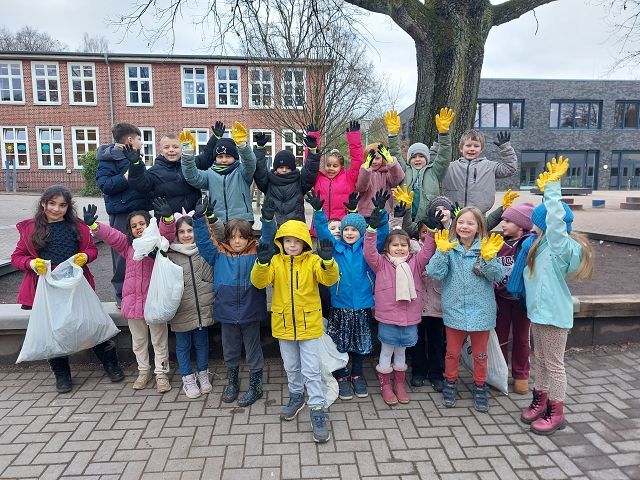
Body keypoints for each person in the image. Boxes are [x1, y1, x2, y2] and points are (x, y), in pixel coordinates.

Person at [11, 185, 125, 393]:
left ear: (68, 207)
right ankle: (62, 374)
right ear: (43, 203)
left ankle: (110, 363)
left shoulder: (77, 227)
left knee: (88, 324)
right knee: (54, 331)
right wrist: (31, 263)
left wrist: (85, 256)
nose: (56, 209)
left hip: (75, 285)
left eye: (62, 205)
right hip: (48, 288)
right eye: (52, 203)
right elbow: (17, 257)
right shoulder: (31, 229)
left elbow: (92, 249)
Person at [509, 157, 594, 435]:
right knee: (542, 361)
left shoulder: (559, 245)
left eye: (536, 223)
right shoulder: (541, 244)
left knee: (554, 365)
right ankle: (541, 400)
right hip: (539, 313)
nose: (531, 226)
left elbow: (556, 220)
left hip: (554, 316)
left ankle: (556, 412)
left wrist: (553, 189)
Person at [250, 220, 339, 443]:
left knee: (311, 370)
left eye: (296, 241)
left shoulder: (313, 261)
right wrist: (261, 264)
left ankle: (317, 408)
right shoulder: (275, 261)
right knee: (291, 366)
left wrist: (328, 262)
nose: (291, 245)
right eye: (287, 241)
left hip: (309, 325)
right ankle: (296, 396)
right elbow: (259, 283)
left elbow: (329, 279)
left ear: (305, 243)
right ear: (281, 242)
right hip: (284, 325)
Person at [83, 199, 176, 393]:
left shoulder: (157, 242)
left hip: (154, 301)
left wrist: (167, 219)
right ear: (130, 230)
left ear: (149, 224)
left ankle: (161, 373)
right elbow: (112, 235)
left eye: (142, 223)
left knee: (159, 340)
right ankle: (144, 371)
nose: (139, 228)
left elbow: (168, 233)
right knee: (139, 341)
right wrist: (94, 226)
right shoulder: (128, 246)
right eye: (134, 226)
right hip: (133, 302)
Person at [306, 189, 390, 400]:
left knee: (360, 342)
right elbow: (323, 232)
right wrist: (319, 213)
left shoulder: (367, 249)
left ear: (361, 232)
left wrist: (381, 212)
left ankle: (357, 374)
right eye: (346, 229)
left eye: (354, 230)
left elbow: (381, 234)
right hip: (340, 304)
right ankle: (341, 375)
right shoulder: (336, 248)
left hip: (362, 304)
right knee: (339, 342)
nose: (350, 233)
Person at [193, 197, 276, 407]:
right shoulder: (218, 254)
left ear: (249, 238)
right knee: (230, 350)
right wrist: (198, 219)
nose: (237, 241)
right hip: (227, 311)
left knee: (253, 349)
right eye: (233, 237)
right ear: (227, 239)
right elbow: (203, 243)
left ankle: (256, 385)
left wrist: (268, 221)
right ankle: (232, 382)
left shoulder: (257, 252)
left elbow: (268, 239)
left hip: (250, 310)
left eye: (241, 237)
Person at [426, 208, 506, 412]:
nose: (464, 226)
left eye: (470, 223)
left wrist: (489, 258)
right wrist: (441, 252)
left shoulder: (486, 247)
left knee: (480, 354)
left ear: (479, 227)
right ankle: (450, 382)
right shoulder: (449, 247)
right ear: (455, 225)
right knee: (452, 353)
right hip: (454, 309)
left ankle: (480, 386)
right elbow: (434, 273)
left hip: (481, 310)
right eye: (461, 222)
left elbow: (497, 276)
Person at [364, 223, 435, 406]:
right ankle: (386, 385)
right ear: (387, 247)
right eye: (395, 245)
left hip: (409, 317)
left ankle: (400, 384)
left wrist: (432, 232)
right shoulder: (381, 263)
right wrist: (371, 231)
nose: (400, 248)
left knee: (401, 351)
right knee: (387, 350)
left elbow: (427, 251)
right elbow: (369, 252)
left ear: (409, 247)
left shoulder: (416, 263)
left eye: (403, 245)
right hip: (388, 317)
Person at [96, 122, 151, 307]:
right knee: (121, 254)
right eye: (139, 139)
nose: (141, 143)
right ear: (130, 140)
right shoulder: (108, 159)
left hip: (140, 211)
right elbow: (105, 185)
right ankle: (121, 295)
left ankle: (143, 292)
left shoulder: (136, 158)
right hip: (122, 213)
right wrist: (126, 176)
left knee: (144, 252)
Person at [167, 212, 217, 399]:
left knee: (202, 343)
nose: (186, 235)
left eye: (190, 230)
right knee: (183, 346)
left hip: (202, 308)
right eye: (182, 231)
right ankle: (187, 378)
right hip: (182, 309)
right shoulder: (170, 254)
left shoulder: (204, 250)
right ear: (176, 234)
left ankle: (203, 374)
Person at [127, 122, 224, 213]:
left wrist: (215, 138)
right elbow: (140, 185)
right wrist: (136, 164)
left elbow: (206, 157)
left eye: (175, 147)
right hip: (169, 219)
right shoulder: (154, 172)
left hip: (193, 216)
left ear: (181, 149)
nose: (171, 150)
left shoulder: (191, 164)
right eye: (166, 147)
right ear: (161, 151)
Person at [494, 198, 536, 395]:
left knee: (521, 338)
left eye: (508, 221)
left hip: (521, 301)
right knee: (500, 337)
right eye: (503, 220)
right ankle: (500, 372)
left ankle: (521, 375)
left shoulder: (529, 244)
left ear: (521, 225)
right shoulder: (498, 244)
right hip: (501, 299)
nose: (503, 224)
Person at [385, 108, 454, 224]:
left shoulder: (434, 171)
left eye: (421, 156)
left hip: (428, 222)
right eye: (413, 157)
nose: (417, 159)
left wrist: (444, 134)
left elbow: (444, 156)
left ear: (427, 158)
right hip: (404, 220)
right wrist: (392, 135)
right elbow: (395, 154)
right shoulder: (404, 169)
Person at [181, 123, 256, 223]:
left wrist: (242, 146)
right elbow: (192, 177)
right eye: (220, 157)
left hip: (242, 221)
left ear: (235, 157)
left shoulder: (242, 171)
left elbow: (250, 162)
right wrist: (187, 154)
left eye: (228, 156)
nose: (224, 160)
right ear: (215, 158)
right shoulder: (210, 174)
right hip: (217, 220)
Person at [442, 129, 518, 214]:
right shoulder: (450, 167)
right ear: (461, 148)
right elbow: (433, 167)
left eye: (476, 146)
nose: (472, 149)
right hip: (453, 214)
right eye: (468, 145)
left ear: (481, 149)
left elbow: (509, 168)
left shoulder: (489, 166)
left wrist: (506, 149)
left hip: (479, 214)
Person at [254, 130, 321, 224]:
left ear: (293, 168)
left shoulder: (299, 182)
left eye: (288, 168)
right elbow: (260, 171)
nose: (284, 170)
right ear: (276, 167)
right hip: (274, 225)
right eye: (281, 167)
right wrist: (260, 148)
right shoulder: (268, 182)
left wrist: (312, 150)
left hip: (295, 226)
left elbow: (310, 172)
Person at [308, 121, 364, 231]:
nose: (330, 168)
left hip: (342, 227)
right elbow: (310, 163)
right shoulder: (318, 178)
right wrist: (313, 140)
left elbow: (357, 160)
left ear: (341, 166)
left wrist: (354, 138)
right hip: (320, 227)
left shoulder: (348, 178)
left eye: (335, 166)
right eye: (328, 165)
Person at [355, 143, 404, 218]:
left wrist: (391, 162)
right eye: (371, 159)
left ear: (383, 158)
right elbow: (361, 188)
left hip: (383, 212)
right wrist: (366, 169)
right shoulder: (363, 171)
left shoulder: (386, 172)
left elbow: (396, 180)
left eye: (377, 158)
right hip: (366, 214)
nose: (374, 162)